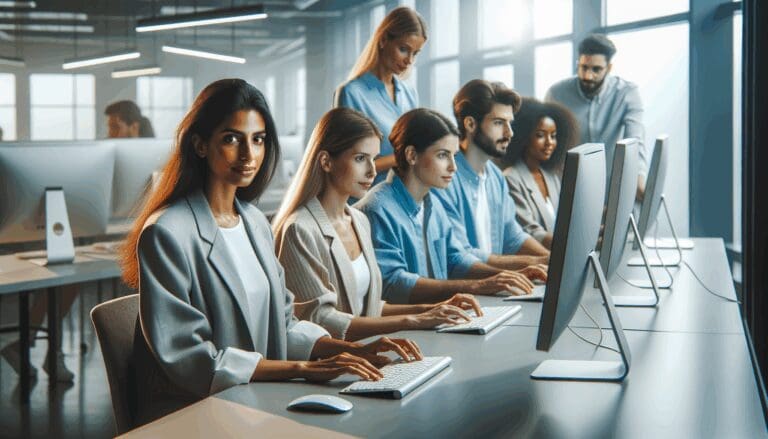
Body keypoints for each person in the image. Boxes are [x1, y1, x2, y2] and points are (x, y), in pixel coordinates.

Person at [120, 79, 422, 425]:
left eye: (258, 139)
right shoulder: (167, 232)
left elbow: (285, 324)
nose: (249, 154)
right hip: (199, 413)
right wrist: (304, 369)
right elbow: (196, 361)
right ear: (200, 145)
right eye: (232, 139)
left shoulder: (253, 221)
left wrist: (350, 349)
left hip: (256, 403)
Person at [273, 108, 483, 341]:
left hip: (370, 354)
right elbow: (319, 320)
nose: (373, 171)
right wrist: (411, 321)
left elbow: (370, 307)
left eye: (373, 159)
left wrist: (430, 310)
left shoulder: (359, 221)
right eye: (360, 159)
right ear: (326, 161)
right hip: (333, 364)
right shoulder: (299, 229)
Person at [355, 108, 547, 305]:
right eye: (442, 155)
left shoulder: (433, 204)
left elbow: (455, 259)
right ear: (412, 155)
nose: (453, 167)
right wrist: (477, 286)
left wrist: (506, 275)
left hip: (440, 319)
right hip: (404, 330)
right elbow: (393, 284)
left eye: (454, 155)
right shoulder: (377, 208)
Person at [431, 80, 550, 273]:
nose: (509, 133)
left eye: (509, 123)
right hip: (463, 294)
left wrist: (549, 260)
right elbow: (460, 254)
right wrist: (534, 263)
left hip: (496, 290)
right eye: (498, 123)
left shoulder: (495, 176)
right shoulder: (444, 178)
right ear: (470, 124)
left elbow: (513, 237)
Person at [545, 34, 647, 199]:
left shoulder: (627, 93)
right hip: (568, 188)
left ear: (609, 68)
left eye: (596, 69)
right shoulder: (556, 94)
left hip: (611, 189)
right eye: (583, 67)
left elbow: (635, 141)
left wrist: (639, 178)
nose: (587, 76)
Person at [334, 6, 426, 185]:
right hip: (366, 200)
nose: (409, 61)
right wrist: (404, 157)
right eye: (404, 49)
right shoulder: (352, 93)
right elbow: (349, 163)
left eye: (415, 53)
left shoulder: (409, 93)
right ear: (384, 40)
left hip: (405, 197)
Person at [499, 97, 579, 249]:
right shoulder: (511, 178)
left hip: (559, 257)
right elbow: (531, 232)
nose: (549, 142)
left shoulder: (551, 176)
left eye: (553, 136)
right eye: (541, 135)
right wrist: (574, 245)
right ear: (524, 137)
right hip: (538, 262)